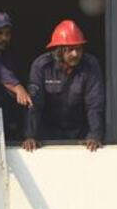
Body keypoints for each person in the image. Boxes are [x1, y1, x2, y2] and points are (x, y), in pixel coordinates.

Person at [23, 20, 103, 152]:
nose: (75, 54)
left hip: (80, 133)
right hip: (47, 134)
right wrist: (30, 136)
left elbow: (94, 104)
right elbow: (34, 104)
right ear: (58, 50)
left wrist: (95, 135)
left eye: (79, 49)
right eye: (70, 49)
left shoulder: (91, 65)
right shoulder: (41, 66)